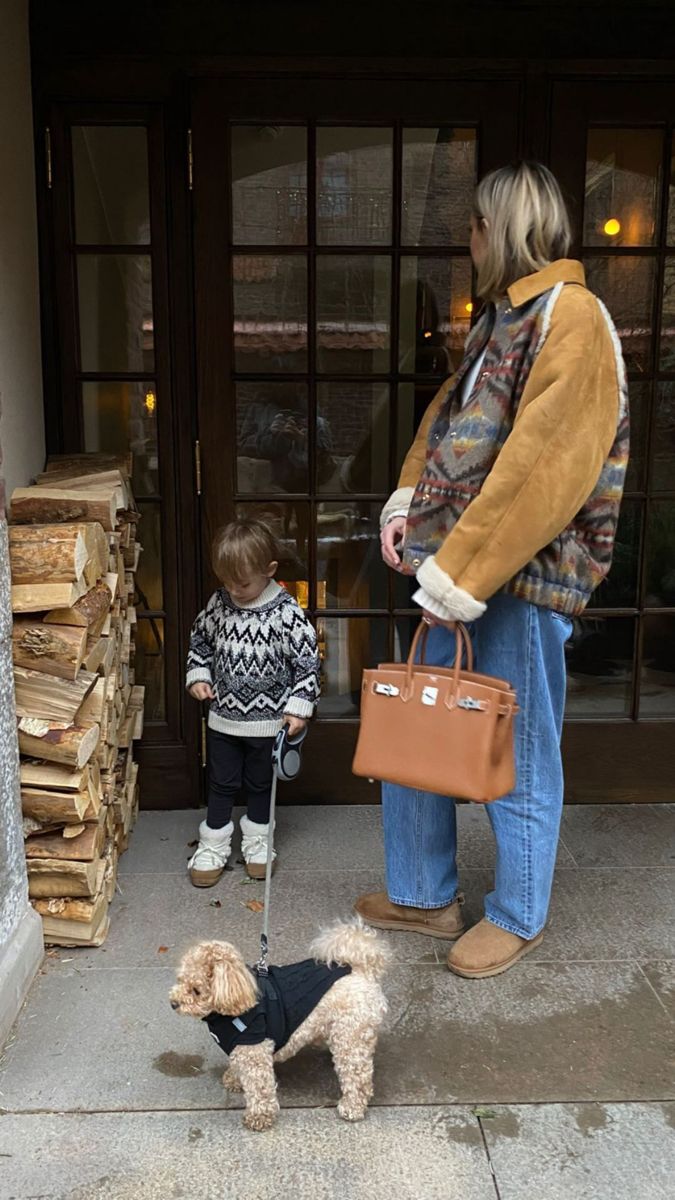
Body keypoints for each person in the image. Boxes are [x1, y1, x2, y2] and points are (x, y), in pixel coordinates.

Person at [355, 161, 629, 979]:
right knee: (415, 725)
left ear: (498, 228)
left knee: (522, 751)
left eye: (473, 226)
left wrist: (456, 581)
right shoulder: (504, 320)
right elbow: (448, 423)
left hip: (515, 579)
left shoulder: (572, 318)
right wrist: (407, 505)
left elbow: (542, 470)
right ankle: (423, 895)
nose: (467, 240)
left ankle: (517, 913)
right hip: (465, 575)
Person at [185, 519, 320, 886]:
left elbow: (307, 662)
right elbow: (200, 643)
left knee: (262, 783)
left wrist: (299, 706)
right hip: (224, 720)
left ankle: (259, 842)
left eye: (242, 583)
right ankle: (213, 844)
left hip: (269, 723)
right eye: (226, 581)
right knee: (221, 782)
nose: (233, 590)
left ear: (269, 571)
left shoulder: (285, 612)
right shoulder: (219, 604)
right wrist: (199, 675)